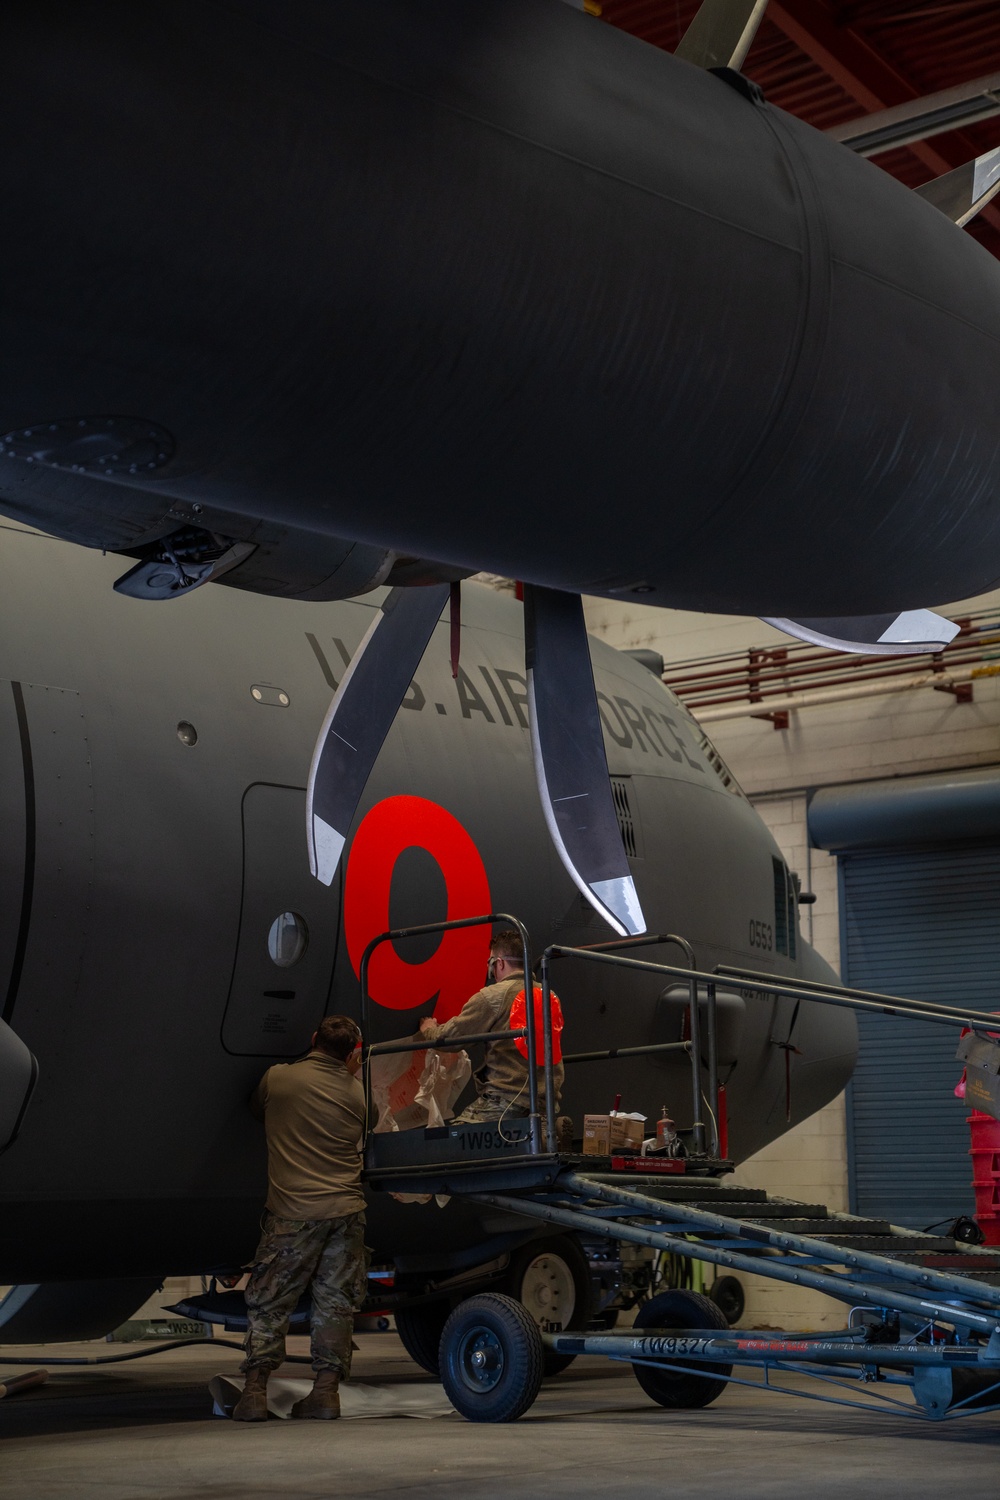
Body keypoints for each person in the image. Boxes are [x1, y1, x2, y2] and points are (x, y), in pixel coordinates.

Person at [233, 1014, 369, 1422]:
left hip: (293, 1215)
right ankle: (325, 1394)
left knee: (269, 1301)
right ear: (352, 1055)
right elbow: (370, 1126)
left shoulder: (278, 1079)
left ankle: (255, 1393)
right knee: (335, 1305)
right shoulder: (360, 1094)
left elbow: (258, 1109)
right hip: (347, 1213)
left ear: (313, 1039)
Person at [419, 928, 563, 1124]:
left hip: (505, 1102)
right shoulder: (549, 995)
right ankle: (547, 1134)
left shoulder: (493, 996)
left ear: (499, 963)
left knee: (453, 1142)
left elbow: (449, 1039)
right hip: (546, 1104)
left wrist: (428, 1029)